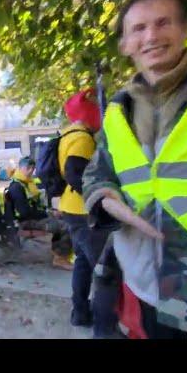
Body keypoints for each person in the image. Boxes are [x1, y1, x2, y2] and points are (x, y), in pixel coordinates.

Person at [83, 0, 187, 339]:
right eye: (138, 29)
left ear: (185, 30)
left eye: (163, 23)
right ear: (125, 44)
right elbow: (98, 172)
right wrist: (106, 198)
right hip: (145, 288)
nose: (151, 36)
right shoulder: (118, 111)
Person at [58, 88, 116, 337]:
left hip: (71, 208)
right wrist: (99, 201)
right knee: (104, 269)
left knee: (83, 263)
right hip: (83, 212)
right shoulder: (82, 138)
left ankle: (80, 312)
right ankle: (105, 326)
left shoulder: (69, 135)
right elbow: (74, 172)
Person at [3, 157, 73, 270]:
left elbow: (35, 205)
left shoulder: (28, 183)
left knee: (67, 218)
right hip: (26, 222)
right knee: (65, 226)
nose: (31, 171)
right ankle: (60, 258)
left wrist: (50, 211)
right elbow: (25, 212)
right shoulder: (17, 187)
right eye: (28, 168)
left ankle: (58, 251)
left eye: (33, 168)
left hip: (34, 217)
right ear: (20, 168)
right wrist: (47, 213)